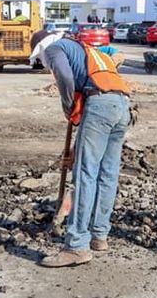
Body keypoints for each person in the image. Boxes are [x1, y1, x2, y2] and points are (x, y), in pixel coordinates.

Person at [38, 35, 132, 268]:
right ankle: (99, 235)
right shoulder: (91, 51)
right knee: (107, 173)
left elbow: (64, 75)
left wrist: (68, 107)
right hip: (122, 105)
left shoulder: (53, 48)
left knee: (85, 174)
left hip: (100, 104)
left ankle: (77, 245)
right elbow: (114, 61)